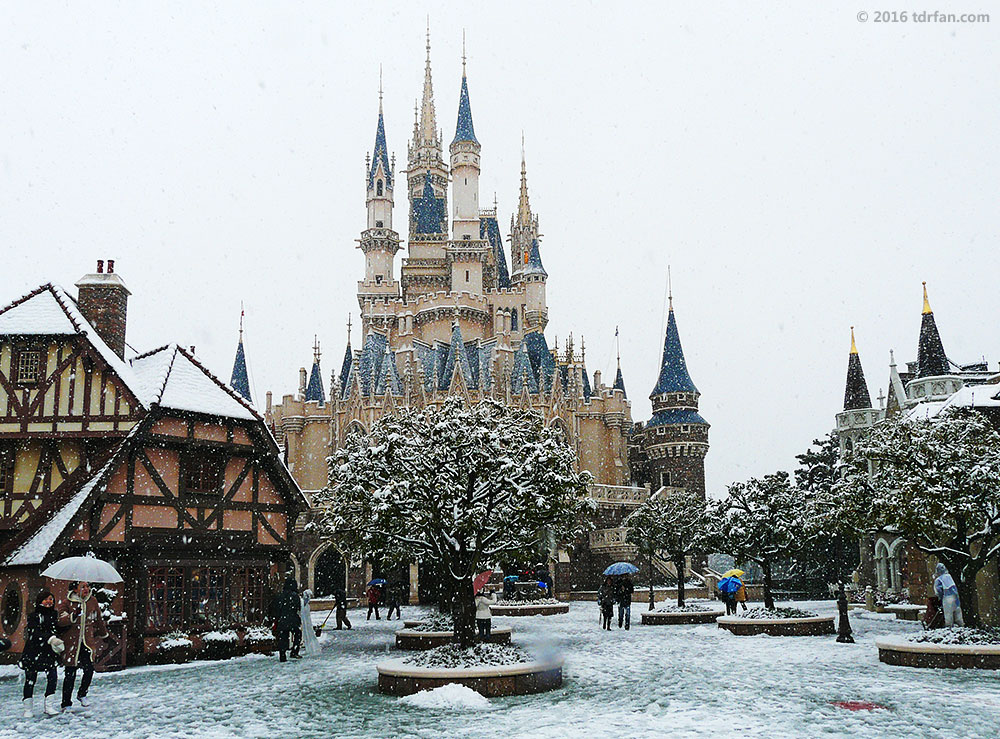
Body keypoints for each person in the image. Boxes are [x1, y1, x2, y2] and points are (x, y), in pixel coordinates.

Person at [59, 581, 109, 711]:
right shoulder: (67, 602)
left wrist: (104, 635)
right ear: (75, 589)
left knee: (89, 669)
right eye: (83, 587)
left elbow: (98, 619)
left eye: (87, 586)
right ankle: (66, 703)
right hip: (72, 642)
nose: (86, 589)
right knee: (70, 673)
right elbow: (60, 620)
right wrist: (73, 615)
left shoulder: (92, 601)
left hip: (86, 642)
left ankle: (82, 694)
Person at [20, 590, 65, 717]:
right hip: (34, 651)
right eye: (46, 599)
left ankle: (48, 706)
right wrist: (50, 638)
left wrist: (72, 617)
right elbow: (34, 632)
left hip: (49, 652)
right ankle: (28, 708)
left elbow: (60, 628)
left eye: (51, 599)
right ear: (40, 601)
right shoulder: (34, 616)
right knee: (30, 679)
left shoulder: (55, 615)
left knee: (52, 678)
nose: (49, 602)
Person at [269, 576, 302, 662]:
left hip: (282, 620)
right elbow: (298, 608)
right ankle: (294, 651)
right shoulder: (295, 596)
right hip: (293, 619)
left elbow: (275, 608)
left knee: (283, 637)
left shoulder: (279, 595)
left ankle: (282, 655)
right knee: (297, 634)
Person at [298, 589, 321, 656]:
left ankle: (308, 645)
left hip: (307, 624)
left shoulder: (307, 605)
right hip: (302, 622)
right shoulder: (302, 604)